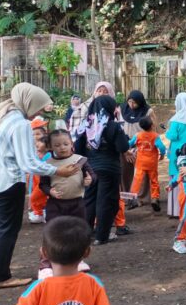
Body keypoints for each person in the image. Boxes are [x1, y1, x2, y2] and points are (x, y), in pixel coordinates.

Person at [0, 83, 79, 289]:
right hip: (8, 181)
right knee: (6, 229)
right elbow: (28, 163)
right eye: (38, 107)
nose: (38, 113)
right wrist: (57, 171)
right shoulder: (19, 124)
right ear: (29, 102)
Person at [75, 96, 130, 245]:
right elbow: (123, 147)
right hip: (110, 169)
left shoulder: (86, 124)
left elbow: (78, 148)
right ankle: (102, 236)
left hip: (91, 168)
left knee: (90, 200)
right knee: (106, 201)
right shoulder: (113, 125)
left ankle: (86, 234)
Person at [41, 130, 95, 222]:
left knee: (77, 230)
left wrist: (90, 179)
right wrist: (50, 191)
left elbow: (93, 175)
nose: (62, 148)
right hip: (55, 203)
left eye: (65, 144)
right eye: (57, 145)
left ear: (71, 144)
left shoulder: (80, 160)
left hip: (77, 203)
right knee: (55, 230)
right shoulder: (48, 164)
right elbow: (43, 184)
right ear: (50, 146)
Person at [165, 92, 186, 218]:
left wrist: (166, 131)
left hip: (178, 152)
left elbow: (172, 135)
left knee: (177, 175)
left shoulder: (177, 119)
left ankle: (175, 210)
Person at [120, 90, 154, 204]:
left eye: (134, 102)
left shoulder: (148, 111)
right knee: (125, 171)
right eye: (129, 101)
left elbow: (152, 129)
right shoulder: (122, 109)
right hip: (125, 143)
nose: (131, 105)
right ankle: (127, 196)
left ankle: (142, 197)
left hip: (142, 145)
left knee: (142, 172)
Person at [128, 116, 167, 212]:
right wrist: (162, 155)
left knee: (137, 180)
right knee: (154, 180)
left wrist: (129, 149)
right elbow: (162, 147)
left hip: (140, 162)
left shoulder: (138, 135)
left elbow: (129, 144)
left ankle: (133, 199)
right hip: (152, 162)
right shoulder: (155, 136)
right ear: (152, 125)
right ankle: (155, 198)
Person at [169, 143, 186, 255]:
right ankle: (179, 240)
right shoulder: (185, 163)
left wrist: (171, 184)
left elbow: (177, 177)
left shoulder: (185, 162)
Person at [27, 118, 51, 224]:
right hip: (34, 177)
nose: (36, 136)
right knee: (35, 195)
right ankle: (39, 213)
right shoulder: (31, 148)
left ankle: (42, 212)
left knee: (35, 196)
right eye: (33, 134)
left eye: (38, 134)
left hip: (43, 178)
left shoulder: (48, 152)